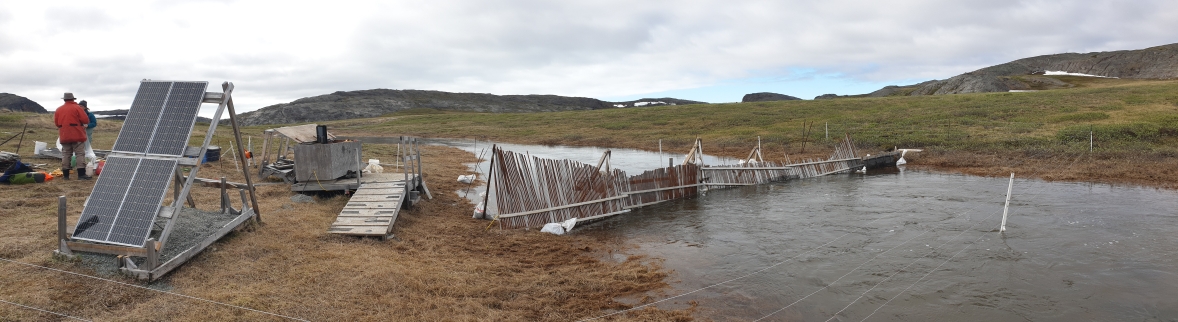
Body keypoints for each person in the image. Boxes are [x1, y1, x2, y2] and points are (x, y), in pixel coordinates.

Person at [53, 92, 92, 180]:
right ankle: (81, 175)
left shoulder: (59, 109)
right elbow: (85, 120)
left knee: (66, 154)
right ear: (73, 99)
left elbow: (56, 123)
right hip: (77, 134)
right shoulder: (77, 108)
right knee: (80, 154)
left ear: (64, 99)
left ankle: (66, 176)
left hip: (64, 135)